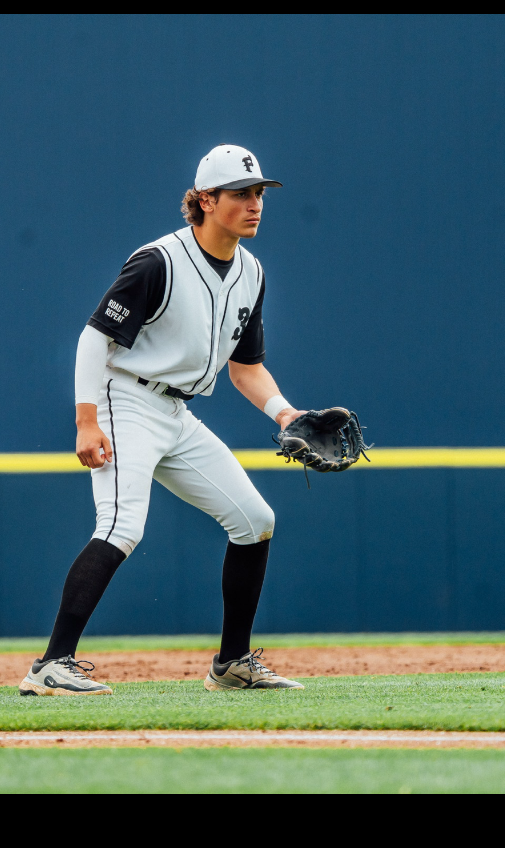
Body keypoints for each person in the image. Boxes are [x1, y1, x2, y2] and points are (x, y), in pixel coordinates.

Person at [21, 146, 309, 697]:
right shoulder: (160, 261)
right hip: (123, 398)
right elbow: (93, 339)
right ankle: (50, 666)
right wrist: (86, 420)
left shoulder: (251, 272)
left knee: (255, 518)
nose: (255, 204)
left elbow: (246, 368)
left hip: (176, 411)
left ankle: (232, 665)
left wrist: (286, 413)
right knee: (121, 527)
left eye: (259, 193)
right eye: (241, 194)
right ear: (205, 200)